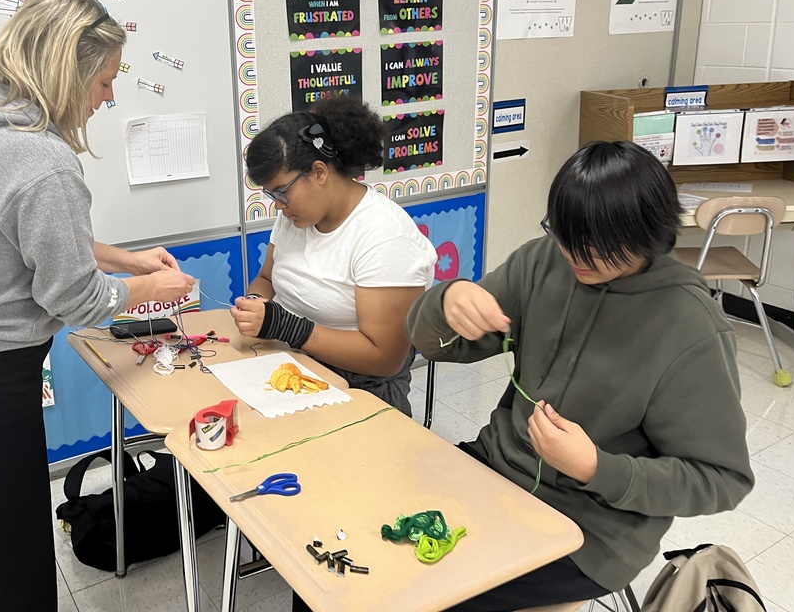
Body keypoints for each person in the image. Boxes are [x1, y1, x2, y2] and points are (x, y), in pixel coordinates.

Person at [0, 0, 195, 612]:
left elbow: (25, 237)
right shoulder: (40, 158)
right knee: (10, 574)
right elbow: (76, 299)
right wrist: (150, 287)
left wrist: (123, 258)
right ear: (69, 67)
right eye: (106, 80)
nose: (108, 97)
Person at [406, 140, 754, 611]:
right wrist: (445, 303)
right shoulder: (546, 261)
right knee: (359, 542)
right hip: (494, 471)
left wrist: (596, 467)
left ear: (651, 237)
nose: (576, 256)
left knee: (422, 593)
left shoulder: (689, 327)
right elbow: (437, 345)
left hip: (592, 531)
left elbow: (722, 479)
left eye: (599, 247)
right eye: (564, 235)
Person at [230, 95, 437, 415]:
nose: (278, 205)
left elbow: (385, 358)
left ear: (319, 172)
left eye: (282, 192)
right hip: (295, 364)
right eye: (270, 194)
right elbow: (267, 277)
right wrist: (257, 302)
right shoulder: (294, 217)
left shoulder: (384, 236)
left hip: (365, 389)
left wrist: (283, 326)